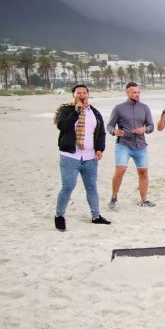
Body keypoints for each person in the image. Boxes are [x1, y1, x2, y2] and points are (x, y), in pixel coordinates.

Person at [53, 84, 111, 231]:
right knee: (68, 186)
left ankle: (96, 216)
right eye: (79, 93)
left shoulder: (95, 113)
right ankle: (59, 216)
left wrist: (99, 149)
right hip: (70, 156)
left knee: (91, 187)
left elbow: (101, 133)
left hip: (90, 157)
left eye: (85, 92)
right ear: (74, 95)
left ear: (88, 95)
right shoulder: (65, 110)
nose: (82, 95)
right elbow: (62, 126)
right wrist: (76, 112)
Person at [107, 81, 155, 208]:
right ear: (127, 93)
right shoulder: (118, 108)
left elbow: (151, 126)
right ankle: (113, 198)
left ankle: (144, 200)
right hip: (123, 144)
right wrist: (114, 131)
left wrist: (144, 129)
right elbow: (110, 125)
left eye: (138, 92)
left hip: (141, 146)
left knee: (143, 172)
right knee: (120, 170)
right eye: (134, 92)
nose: (137, 94)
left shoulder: (144, 108)